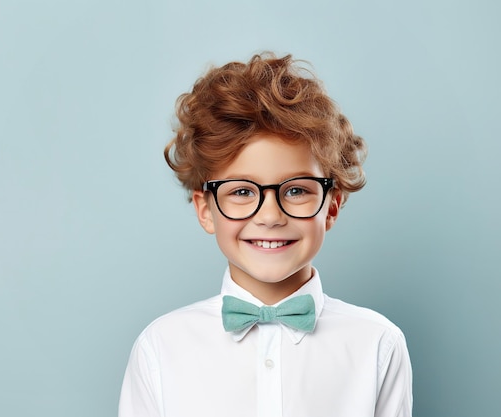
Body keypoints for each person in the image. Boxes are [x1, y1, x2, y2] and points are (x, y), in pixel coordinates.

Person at [118, 52, 412, 417]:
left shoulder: (378, 344)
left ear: (332, 206)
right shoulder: (159, 348)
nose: (270, 216)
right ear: (206, 210)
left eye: (296, 190)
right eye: (242, 192)